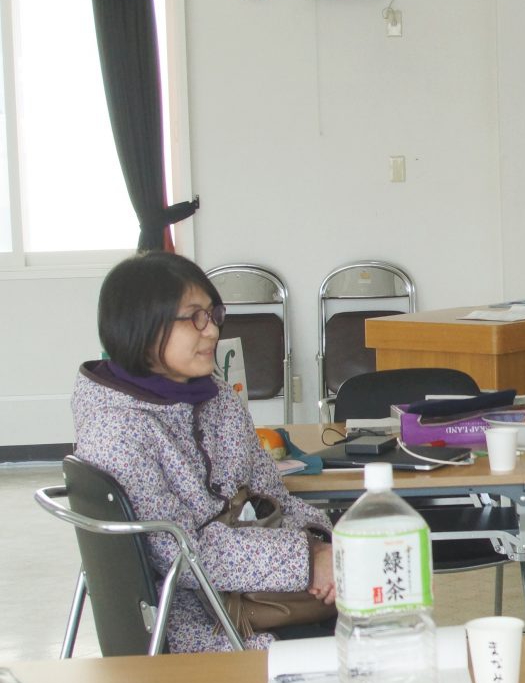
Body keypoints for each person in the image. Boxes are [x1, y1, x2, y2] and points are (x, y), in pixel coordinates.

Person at [72, 251, 335, 653]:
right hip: (196, 624)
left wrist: (325, 546)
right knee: (367, 642)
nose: (212, 331)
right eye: (194, 317)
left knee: (385, 597)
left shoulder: (217, 398)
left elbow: (272, 498)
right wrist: (309, 560)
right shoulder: (117, 432)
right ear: (141, 325)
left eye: (213, 314)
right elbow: (179, 556)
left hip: (260, 594)